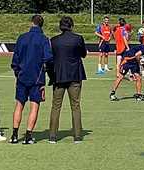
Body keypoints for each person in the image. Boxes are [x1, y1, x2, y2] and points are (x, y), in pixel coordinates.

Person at [10, 15, 53, 145]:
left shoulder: (22, 38)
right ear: (42, 25)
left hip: (22, 77)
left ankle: (14, 135)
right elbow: (48, 58)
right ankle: (28, 135)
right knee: (34, 106)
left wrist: (18, 73)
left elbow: (15, 59)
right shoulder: (43, 39)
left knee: (19, 105)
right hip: (36, 78)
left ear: (31, 23)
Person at [47, 16, 87, 144]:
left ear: (60, 26)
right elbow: (83, 54)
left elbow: (50, 59)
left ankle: (52, 136)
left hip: (58, 76)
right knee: (75, 105)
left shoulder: (54, 40)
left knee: (56, 106)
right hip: (75, 75)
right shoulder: (78, 38)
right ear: (71, 25)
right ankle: (77, 135)